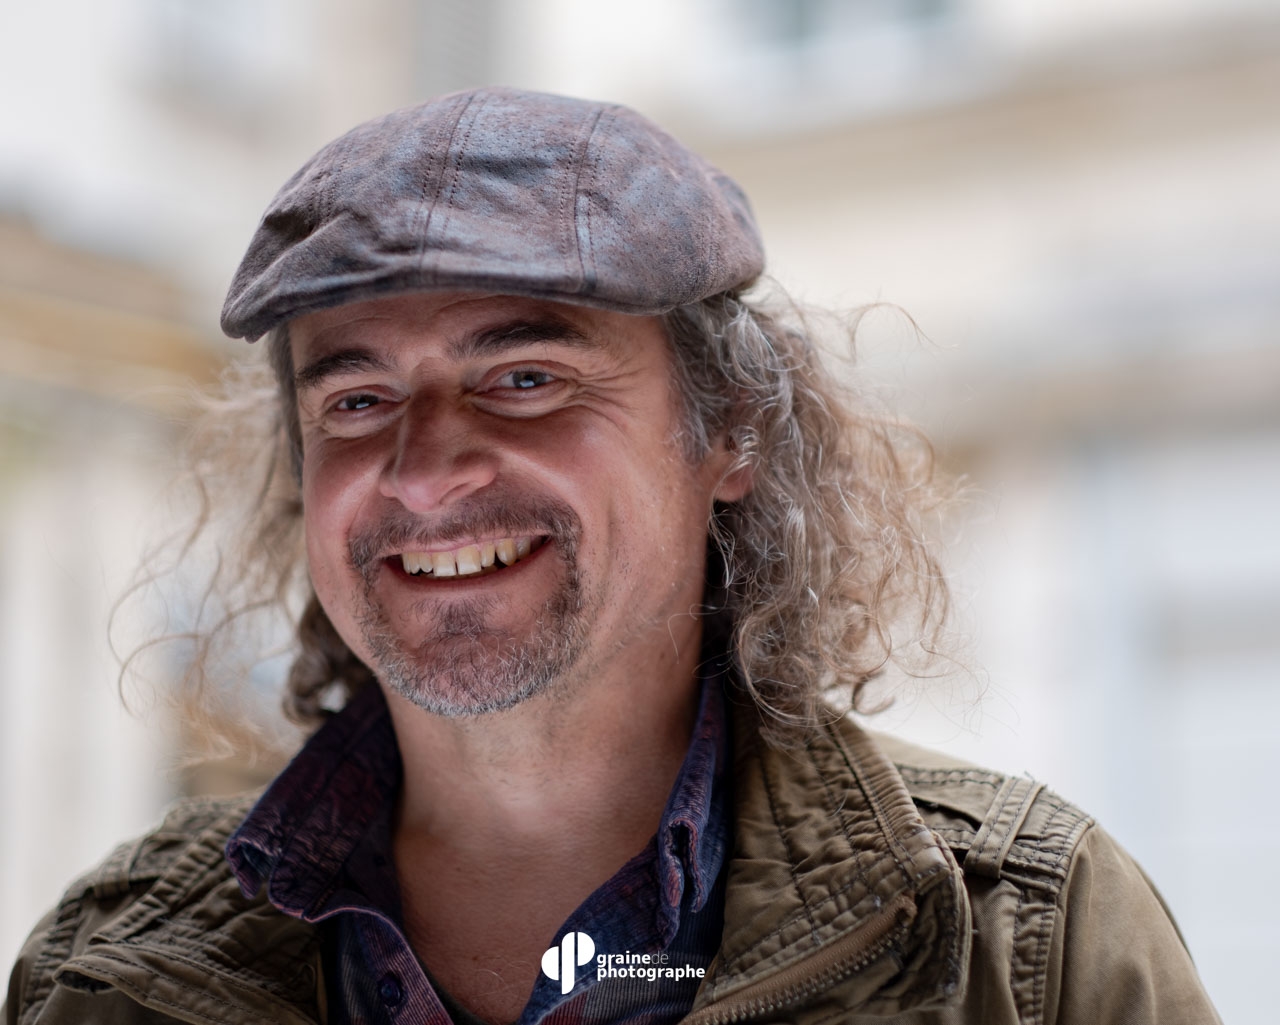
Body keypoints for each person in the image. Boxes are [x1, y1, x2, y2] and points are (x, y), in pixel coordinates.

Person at [4, 87, 1221, 1025]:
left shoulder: (1022, 945)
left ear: (728, 429)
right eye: (357, 401)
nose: (423, 472)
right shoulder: (104, 975)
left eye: (524, 378)